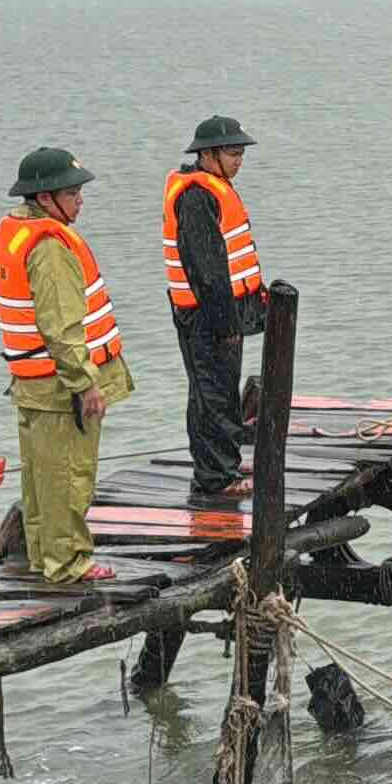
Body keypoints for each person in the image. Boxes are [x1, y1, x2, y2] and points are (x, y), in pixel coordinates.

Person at [0, 147, 136, 583]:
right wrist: (86, 383)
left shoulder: (17, 231)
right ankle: (69, 562)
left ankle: (44, 557)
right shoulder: (50, 247)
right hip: (60, 387)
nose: (80, 201)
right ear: (46, 197)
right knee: (69, 477)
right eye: (72, 193)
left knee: (41, 480)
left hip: (31, 383)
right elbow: (61, 327)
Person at [162, 114, 268, 497]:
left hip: (218, 313)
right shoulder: (196, 197)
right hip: (206, 318)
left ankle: (223, 465)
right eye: (232, 153)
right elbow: (207, 272)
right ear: (207, 155)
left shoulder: (213, 188)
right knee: (213, 396)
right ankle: (217, 478)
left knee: (218, 391)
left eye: (241, 153)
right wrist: (226, 326)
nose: (239, 160)